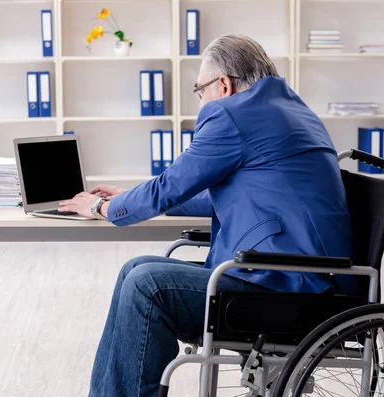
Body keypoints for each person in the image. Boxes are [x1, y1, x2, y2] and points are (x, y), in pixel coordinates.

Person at [59, 34, 354, 397]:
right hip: (309, 277)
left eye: (199, 90)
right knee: (133, 269)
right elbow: (213, 198)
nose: (201, 101)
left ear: (224, 84)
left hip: (287, 288)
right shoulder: (289, 110)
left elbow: (170, 186)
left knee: (146, 284)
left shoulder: (232, 113)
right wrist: (129, 196)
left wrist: (100, 208)